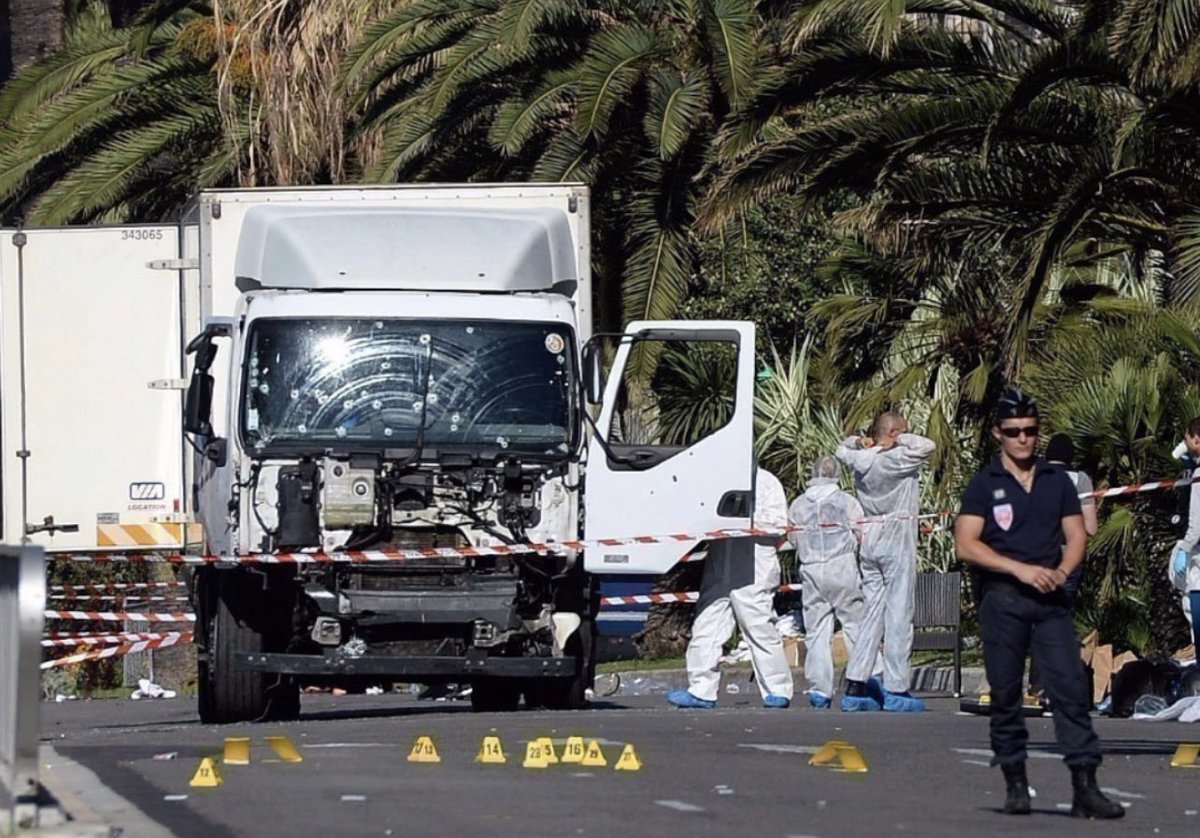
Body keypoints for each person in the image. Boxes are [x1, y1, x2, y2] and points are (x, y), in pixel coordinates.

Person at [954, 388, 1123, 819]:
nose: (1023, 439)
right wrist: (1018, 569)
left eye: (1030, 431)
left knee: (1068, 688)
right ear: (999, 434)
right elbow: (967, 544)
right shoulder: (984, 484)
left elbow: (1078, 535)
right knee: (1007, 693)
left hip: (1050, 601)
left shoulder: (1055, 481)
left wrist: (1064, 572)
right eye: (1013, 432)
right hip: (1003, 597)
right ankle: (1015, 783)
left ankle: (1085, 784)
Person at [668, 467, 795, 709]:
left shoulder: (766, 482)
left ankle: (778, 689)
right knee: (707, 625)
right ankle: (701, 689)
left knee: (757, 625)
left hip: (753, 564)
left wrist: (741, 520)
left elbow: (778, 525)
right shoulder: (718, 479)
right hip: (721, 562)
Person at [835, 411, 935, 712]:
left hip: (870, 536)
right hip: (897, 535)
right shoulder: (894, 459)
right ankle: (896, 686)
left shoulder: (861, 460)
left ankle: (856, 681)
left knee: (871, 612)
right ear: (893, 433)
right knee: (899, 613)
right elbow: (927, 445)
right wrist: (898, 439)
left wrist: (859, 441)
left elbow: (842, 450)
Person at [788, 455, 865, 708]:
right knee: (855, 626)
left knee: (817, 631)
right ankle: (865, 678)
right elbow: (861, 533)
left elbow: (792, 538)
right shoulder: (847, 501)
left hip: (812, 571)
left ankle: (820, 689)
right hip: (842, 567)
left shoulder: (799, 504)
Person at [1169, 418, 1200, 650]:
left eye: (1187, 437)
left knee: (1193, 596)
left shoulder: (1198, 475)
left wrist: (1185, 548)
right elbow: (1176, 454)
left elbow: (1197, 521)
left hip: (1196, 548)